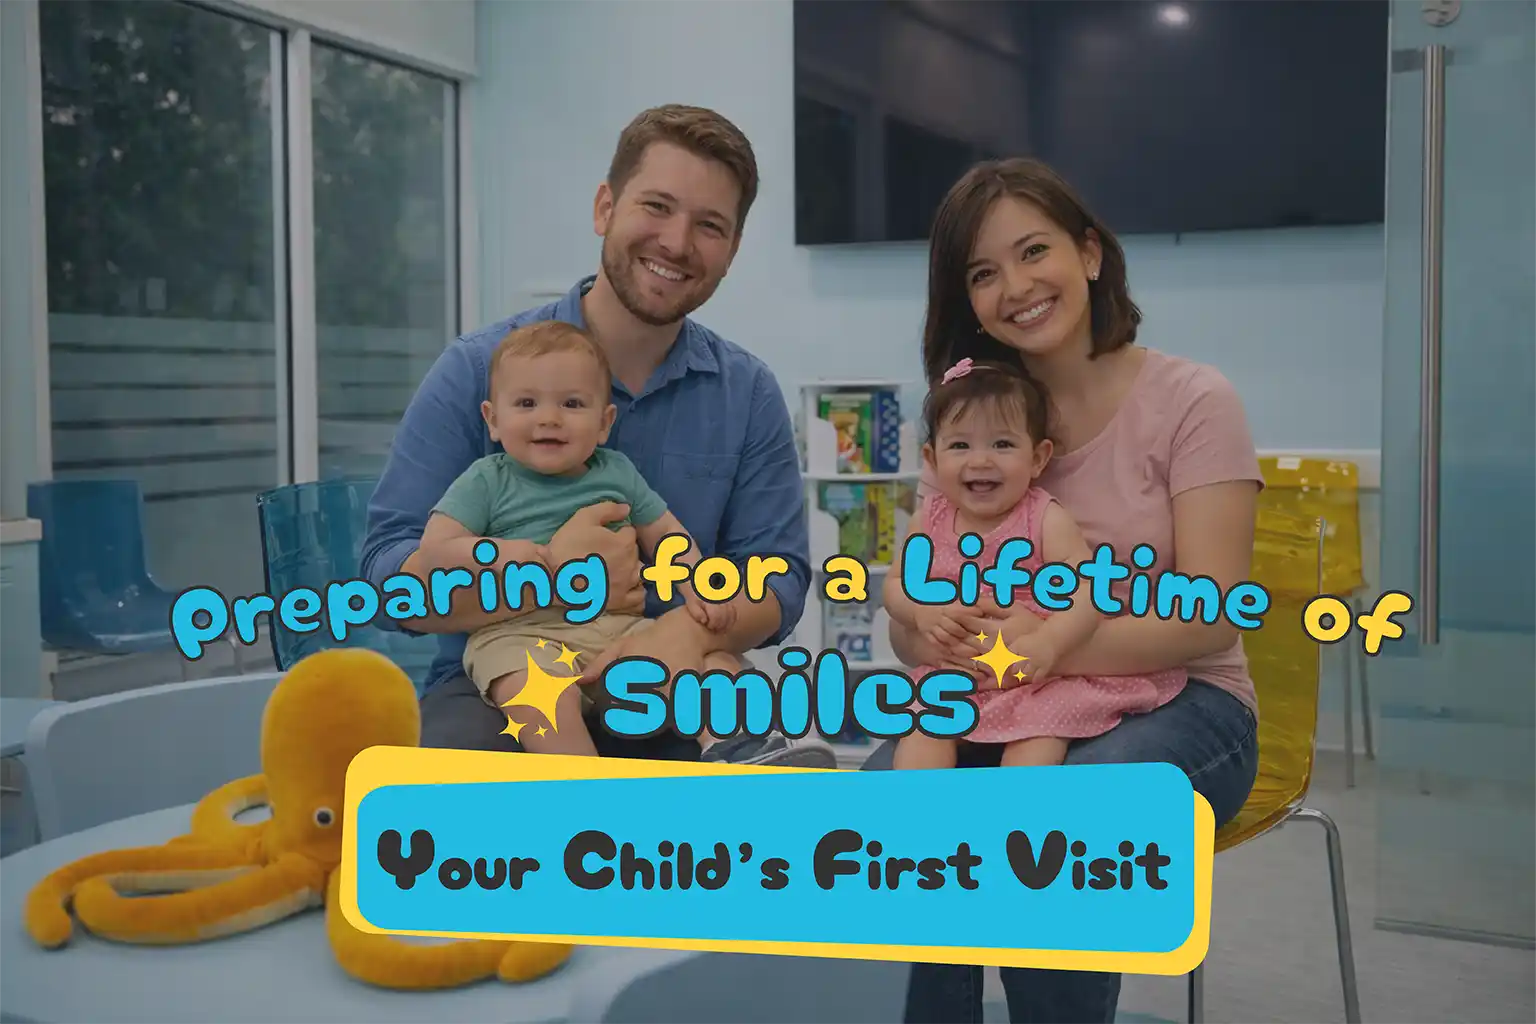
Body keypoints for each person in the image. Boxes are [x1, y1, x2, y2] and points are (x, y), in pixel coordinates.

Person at [865, 157, 1263, 1023]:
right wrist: (930, 629)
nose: (1014, 286)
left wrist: (1034, 646)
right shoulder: (970, 422)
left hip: (1187, 703)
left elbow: (1206, 613)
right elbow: (919, 607)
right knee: (892, 817)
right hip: (993, 697)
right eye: (981, 272)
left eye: (1033, 251)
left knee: (1051, 833)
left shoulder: (1194, 400)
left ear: (1089, 254)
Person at [362, 103, 835, 770]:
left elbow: (778, 581)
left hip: (674, 668)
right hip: (499, 686)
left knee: (780, 812)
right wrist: (552, 572)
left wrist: (678, 632)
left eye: (709, 226)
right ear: (604, 208)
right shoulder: (475, 372)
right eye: (657, 207)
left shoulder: (746, 393)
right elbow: (390, 581)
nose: (676, 242)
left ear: (731, 251)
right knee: (467, 815)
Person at [424, 319, 741, 757]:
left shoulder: (616, 473)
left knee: (716, 664)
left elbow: (666, 533)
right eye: (527, 403)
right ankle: (583, 785)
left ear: (604, 422)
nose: (549, 419)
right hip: (521, 636)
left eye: (572, 404)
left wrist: (699, 584)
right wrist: (506, 555)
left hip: (620, 633)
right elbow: (436, 551)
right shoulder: (485, 481)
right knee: (537, 695)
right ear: (493, 420)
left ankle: (736, 749)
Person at [883, 356, 1187, 771]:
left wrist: (1049, 643)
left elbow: (1089, 594)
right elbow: (898, 583)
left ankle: (1019, 823)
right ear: (932, 460)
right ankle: (920, 823)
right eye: (959, 445)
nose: (980, 461)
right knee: (921, 732)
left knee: (1037, 741)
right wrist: (921, 611)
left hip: (1038, 675)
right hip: (957, 672)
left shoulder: (1043, 518)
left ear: (1039, 458)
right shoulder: (929, 520)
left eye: (1002, 444)